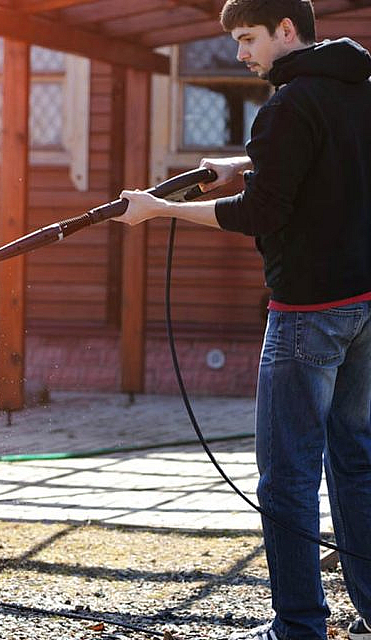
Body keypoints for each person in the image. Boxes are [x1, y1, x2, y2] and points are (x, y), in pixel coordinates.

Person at [112, 1, 371, 639]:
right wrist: (246, 164)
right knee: (358, 462)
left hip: (307, 316)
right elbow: (324, 166)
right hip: (366, 308)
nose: (239, 54)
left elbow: (259, 213)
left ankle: (299, 627)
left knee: (287, 475)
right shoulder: (359, 89)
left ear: (287, 30)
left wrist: (157, 211)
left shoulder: (285, 107)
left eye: (248, 38)